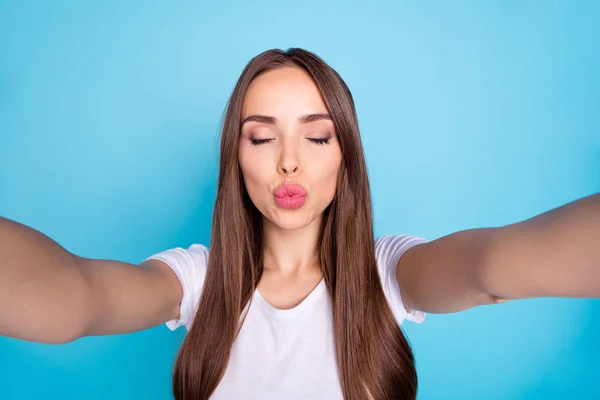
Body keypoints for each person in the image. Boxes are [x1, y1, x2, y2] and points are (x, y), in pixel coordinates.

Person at [0, 48, 598, 400]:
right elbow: (75, 300)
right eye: (261, 136)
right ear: (236, 159)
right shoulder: (198, 283)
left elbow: (491, 266)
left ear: (347, 156)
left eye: (316, 135)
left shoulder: (388, 275)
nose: (289, 159)